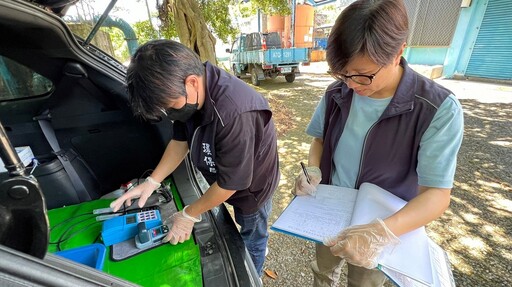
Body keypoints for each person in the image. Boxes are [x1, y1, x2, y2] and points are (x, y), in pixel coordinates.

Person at [292, 0, 464, 286]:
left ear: (398, 53)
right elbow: (319, 139)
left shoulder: (437, 109)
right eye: (342, 74)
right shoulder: (337, 92)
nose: (351, 85)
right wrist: (313, 170)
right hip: (331, 210)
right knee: (322, 272)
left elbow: (436, 194)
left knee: (364, 282)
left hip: (383, 224)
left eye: (362, 75)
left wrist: (381, 232)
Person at [110, 39, 279, 277]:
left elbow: (231, 183)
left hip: (253, 189)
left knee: (253, 234)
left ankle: (254, 275)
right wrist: (152, 181)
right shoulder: (188, 94)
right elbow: (180, 142)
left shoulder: (235, 113)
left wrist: (189, 214)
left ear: (192, 82)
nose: (170, 115)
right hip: (226, 178)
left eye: (170, 108)